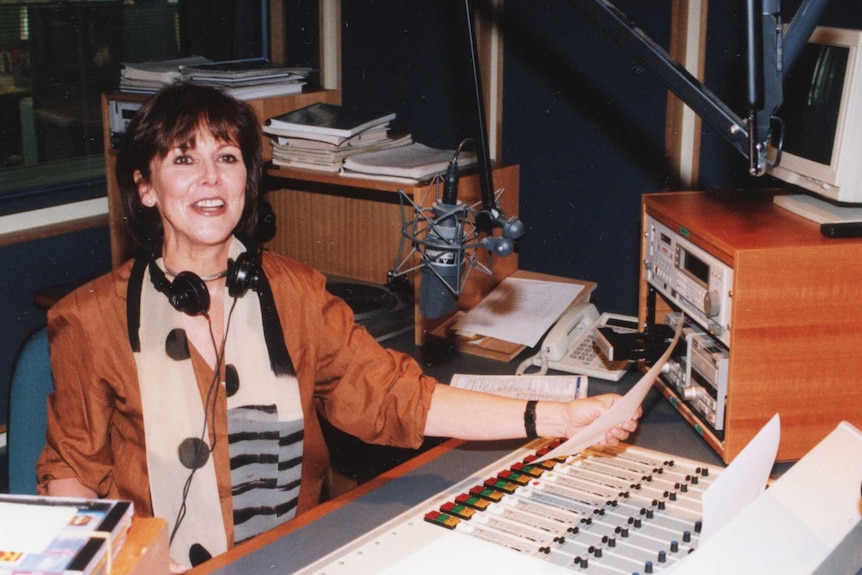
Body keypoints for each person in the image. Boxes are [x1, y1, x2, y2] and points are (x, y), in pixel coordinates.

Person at [36, 83, 641, 572]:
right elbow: (69, 476)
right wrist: (123, 563)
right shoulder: (90, 320)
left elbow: (397, 396)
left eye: (226, 158)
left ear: (248, 179)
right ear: (145, 187)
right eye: (184, 160)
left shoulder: (294, 292)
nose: (211, 180)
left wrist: (557, 418)